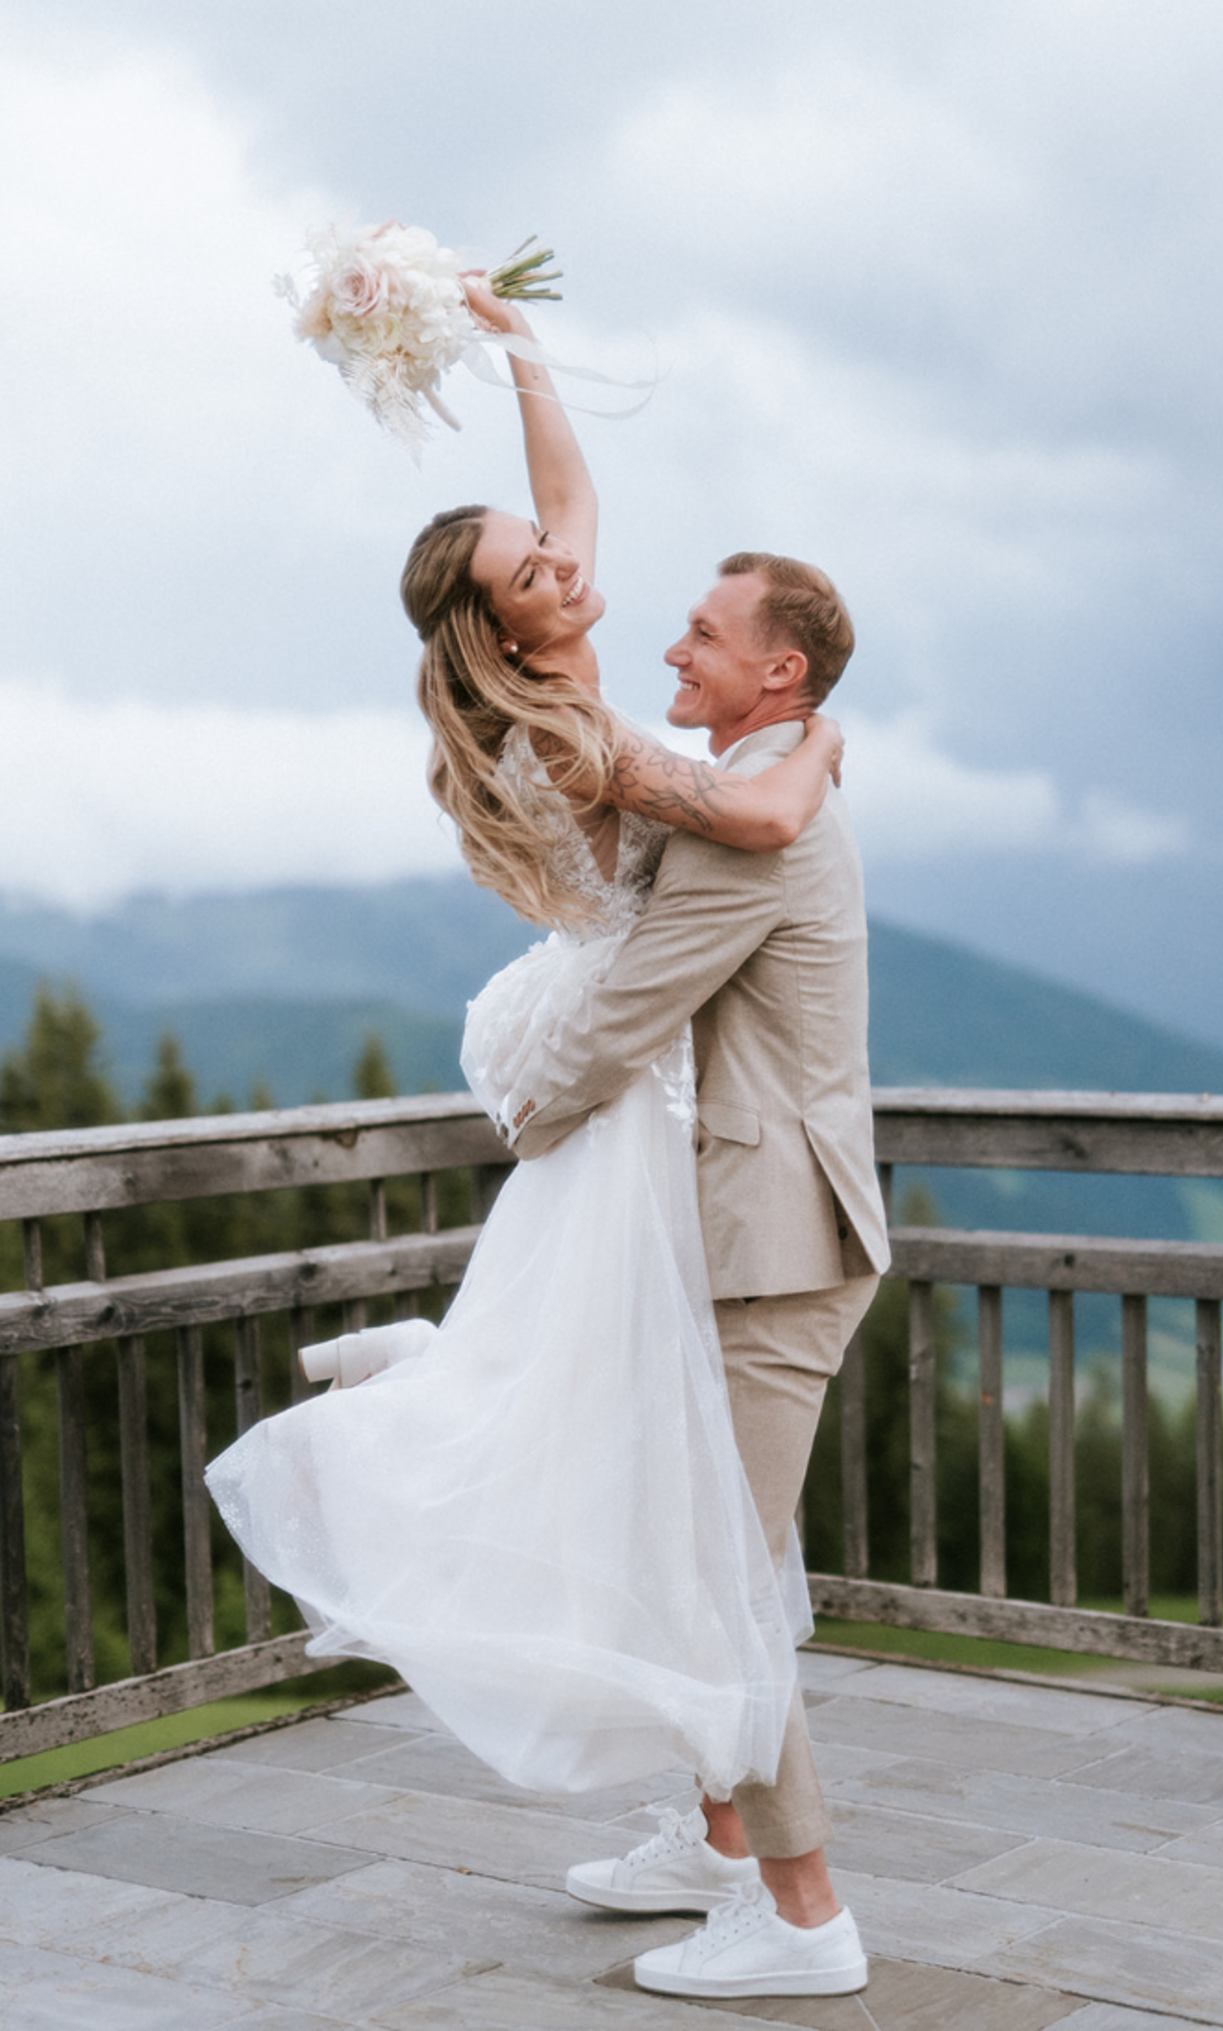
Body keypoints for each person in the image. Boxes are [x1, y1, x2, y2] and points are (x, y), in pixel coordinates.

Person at [204, 281, 843, 1808]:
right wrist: (819, 729)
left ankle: (453, 1374)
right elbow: (763, 816)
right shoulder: (571, 733)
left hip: (624, 1016)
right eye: (531, 569)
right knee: (650, 1444)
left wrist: (518, 349)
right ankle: (438, 1390)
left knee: (645, 1427)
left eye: (545, 549)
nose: (564, 561)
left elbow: (571, 498)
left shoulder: (549, 673)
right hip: (637, 1053)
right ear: (507, 624)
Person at [499, 551, 890, 2000]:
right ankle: (722, 1850)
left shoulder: (758, 823)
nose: (677, 645)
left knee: (717, 1587)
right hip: (744, 1230)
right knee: (718, 1561)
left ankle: (806, 1920)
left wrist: (531, 1109)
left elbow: (634, 1000)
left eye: (707, 633)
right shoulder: (763, 780)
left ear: (781, 672)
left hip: (774, 1245)